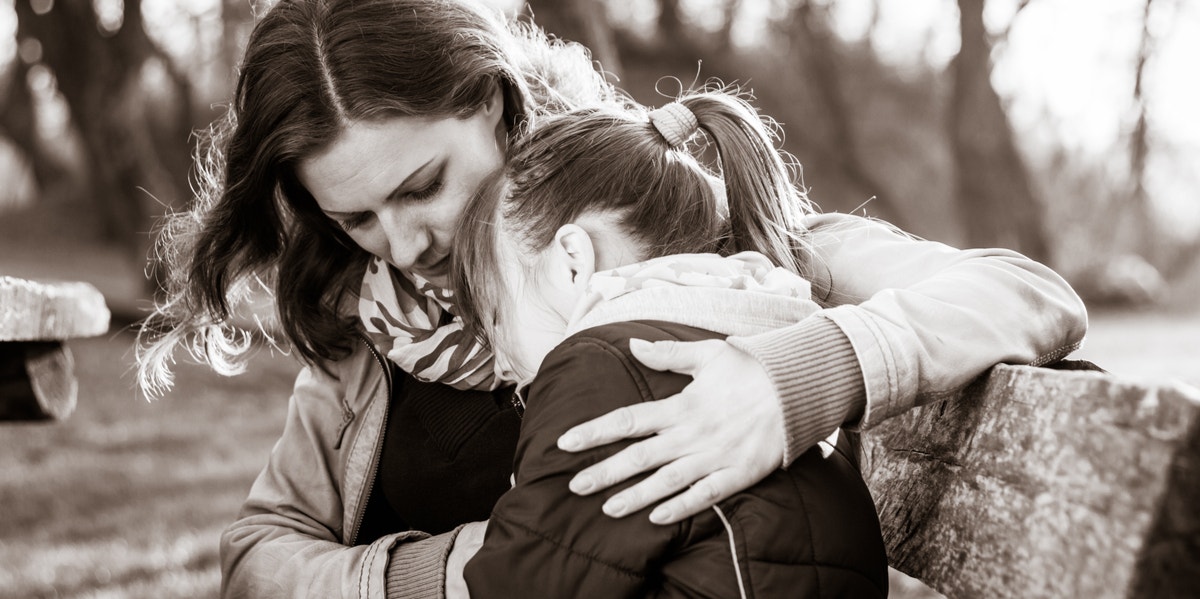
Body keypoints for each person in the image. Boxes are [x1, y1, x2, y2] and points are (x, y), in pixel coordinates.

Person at [134, 0, 1088, 596]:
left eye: (424, 184)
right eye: (358, 217)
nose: (406, 244)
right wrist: (437, 574)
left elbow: (1025, 292)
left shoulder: (690, 242)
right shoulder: (370, 326)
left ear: (498, 109)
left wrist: (796, 377)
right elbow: (260, 552)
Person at [450, 91, 889, 597]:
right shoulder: (760, 330)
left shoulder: (602, 367)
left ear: (572, 261)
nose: (502, 365)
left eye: (497, 318)